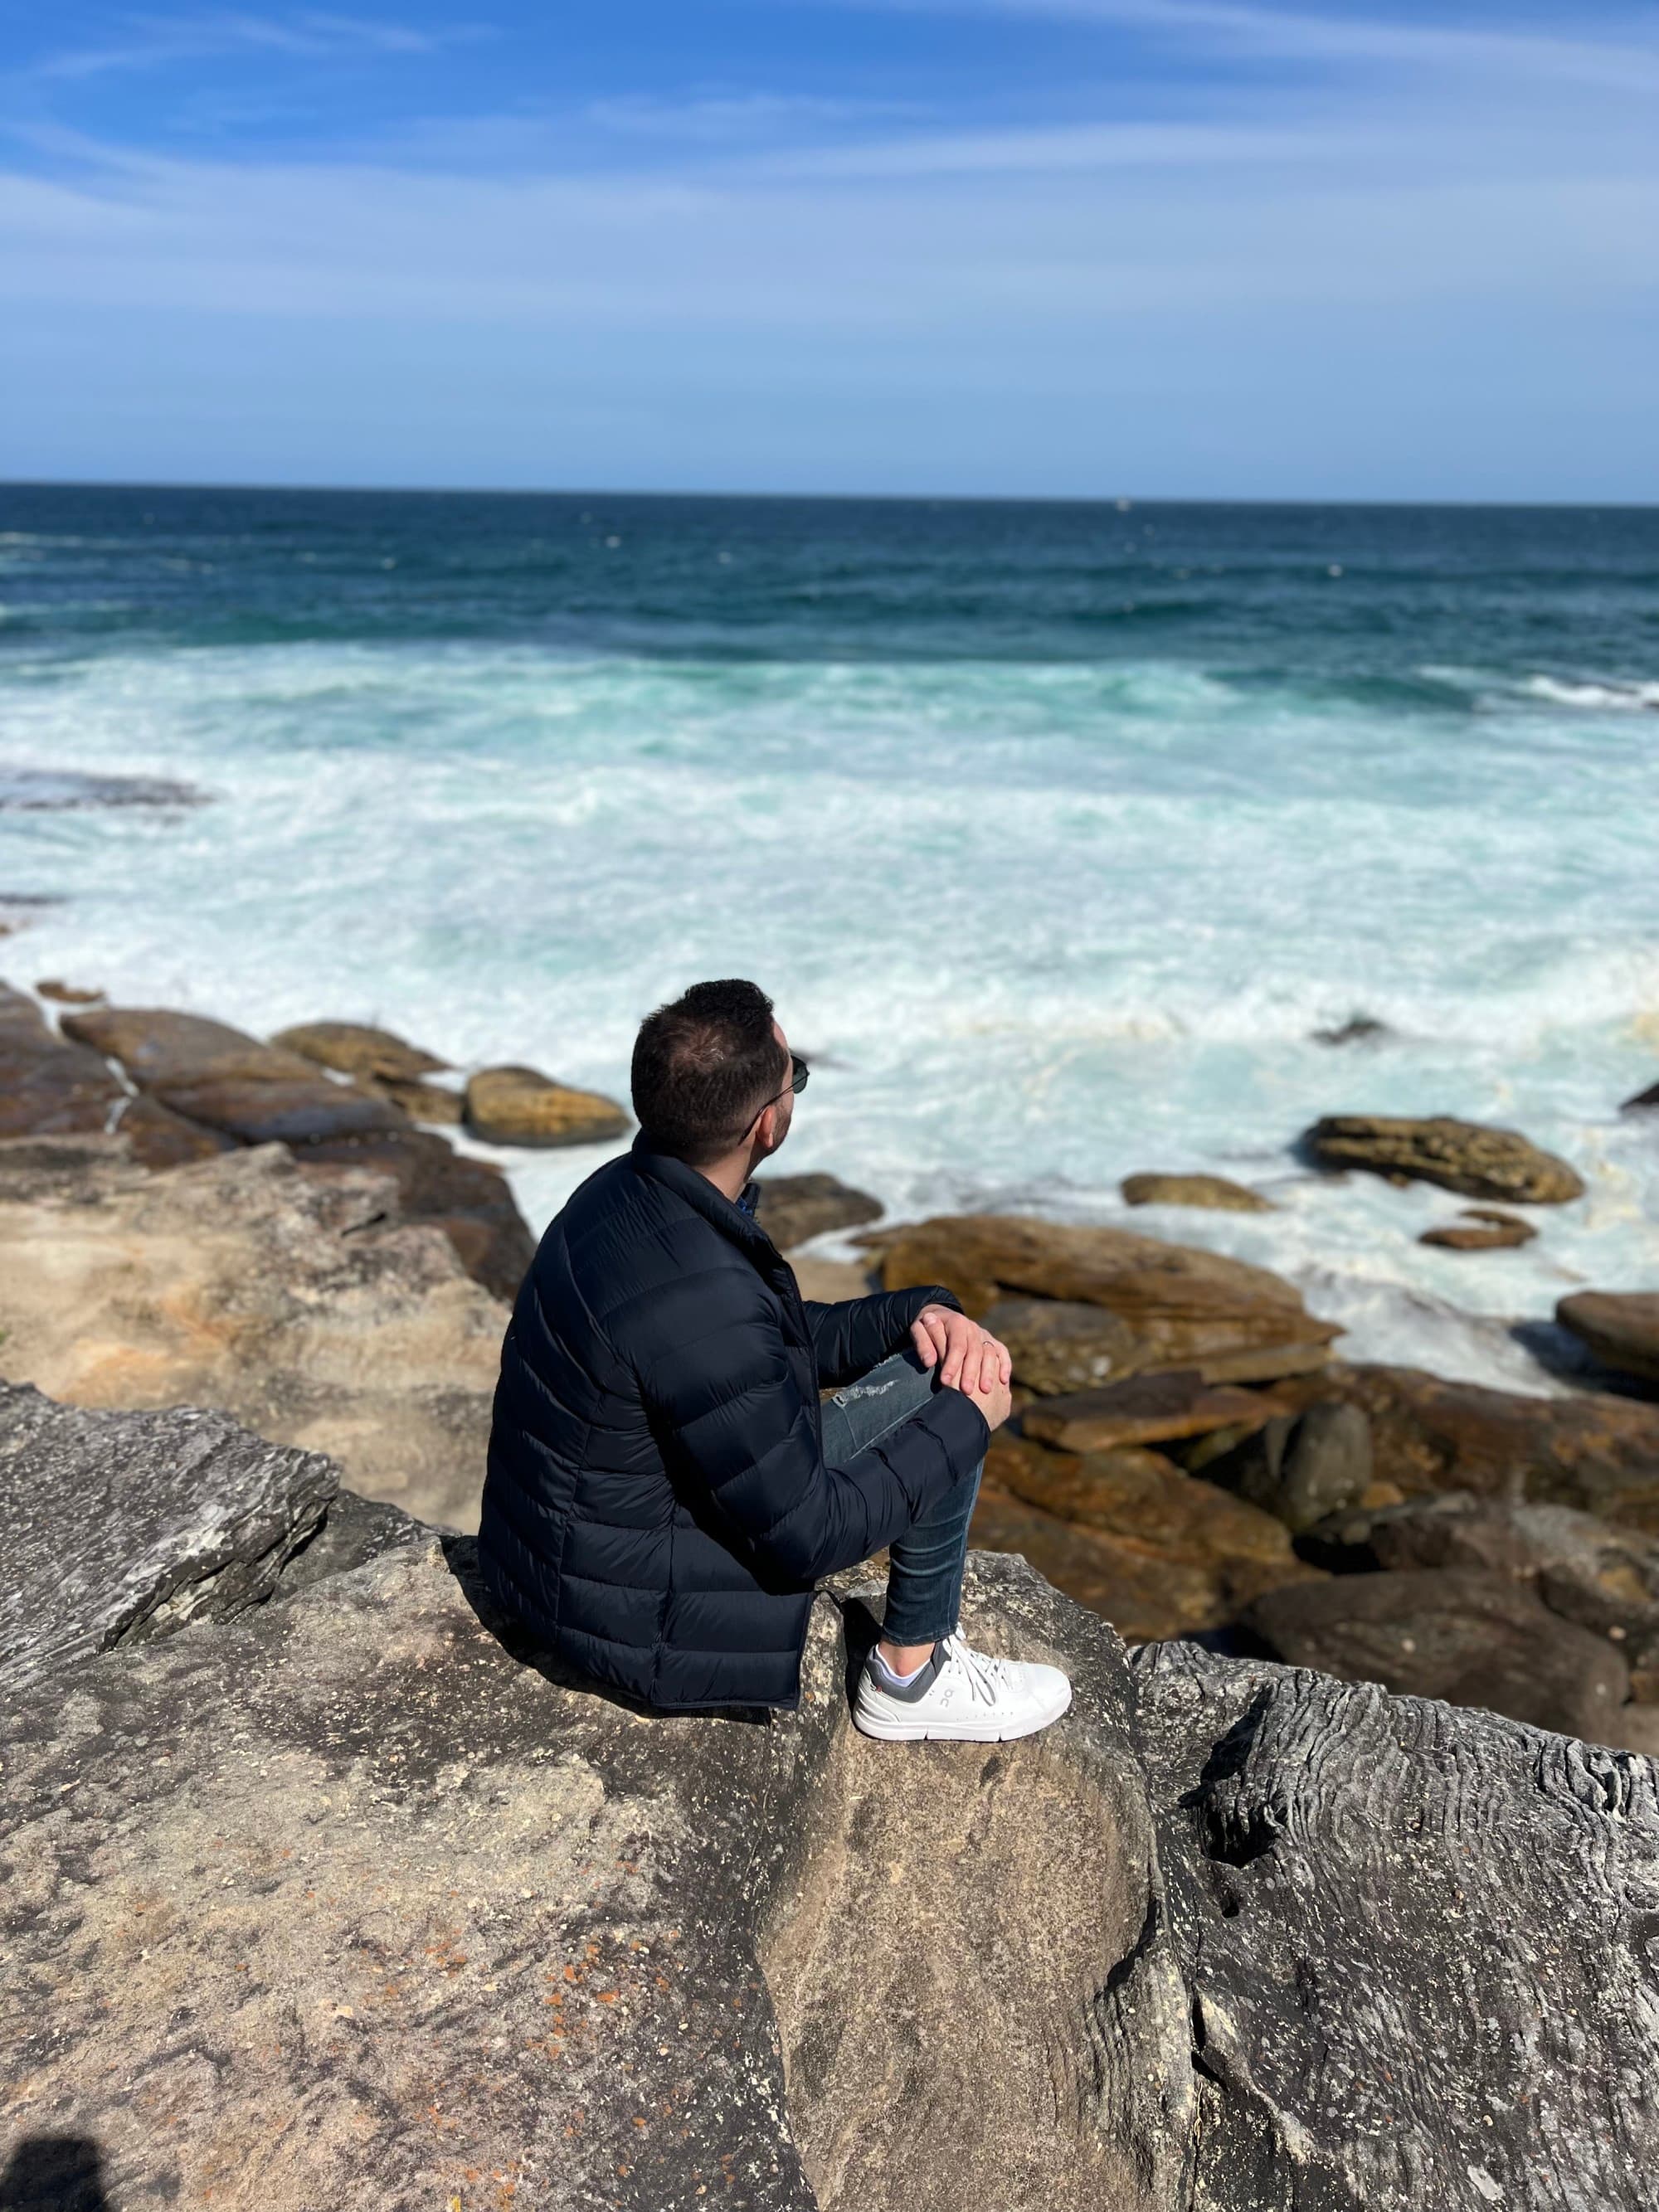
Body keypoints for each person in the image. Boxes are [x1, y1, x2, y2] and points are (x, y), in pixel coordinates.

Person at [478, 977, 1072, 1740]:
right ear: (766, 1124)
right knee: (955, 1384)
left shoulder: (620, 1196)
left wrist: (916, 1311)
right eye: (797, 1080)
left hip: (561, 1564)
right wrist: (969, 1420)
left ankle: (917, 1651)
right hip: (636, 1612)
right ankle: (909, 1678)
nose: (797, 1090)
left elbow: (766, 1344)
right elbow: (807, 1533)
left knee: (941, 1352)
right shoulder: (703, 1295)